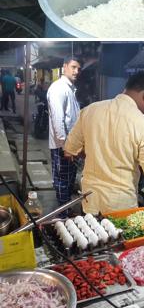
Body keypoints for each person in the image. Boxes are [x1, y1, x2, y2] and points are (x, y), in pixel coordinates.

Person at [64, 71, 144, 215]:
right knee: (119, 238)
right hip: (121, 207)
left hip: (90, 200)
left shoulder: (90, 110)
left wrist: (96, 155)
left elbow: (69, 150)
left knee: (91, 236)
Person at [47, 56, 81, 208]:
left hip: (70, 146)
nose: (76, 71)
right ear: (64, 66)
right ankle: (63, 214)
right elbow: (58, 119)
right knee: (62, 181)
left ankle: (65, 211)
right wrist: (65, 146)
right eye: (73, 67)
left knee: (68, 181)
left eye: (78, 69)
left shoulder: (69, 89)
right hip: (63, 146)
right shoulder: (58, 88)